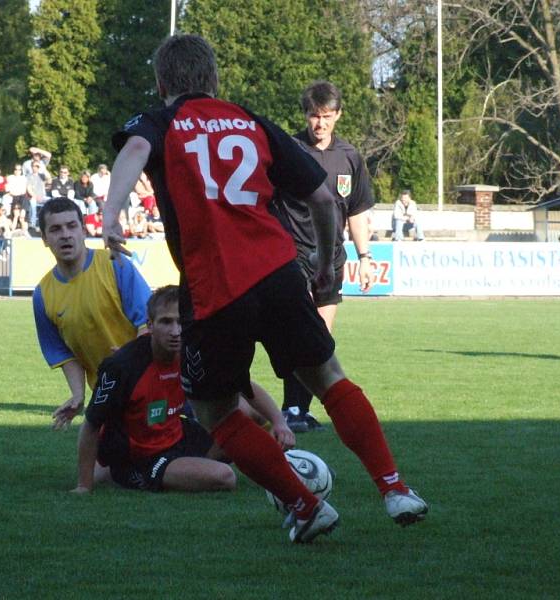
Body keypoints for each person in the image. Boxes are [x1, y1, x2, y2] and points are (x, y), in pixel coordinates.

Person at [103, 34, 427, 543]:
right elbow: (323, 201)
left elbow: (138, 149)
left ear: (162, 83)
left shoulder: (160, 121)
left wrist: (110, 211)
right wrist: (324, 264)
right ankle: (395, 487)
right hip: (278, 271)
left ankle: (305, 505)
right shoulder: (250, 120)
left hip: (215, 286)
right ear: (213, 80)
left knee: (215, 410)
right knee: (329, 377)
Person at [73, 285, 296, 494]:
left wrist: (279, 422)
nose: (175, 331)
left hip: (177, 434)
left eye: (181, 322)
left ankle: (292, 469)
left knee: (242, 425)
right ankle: (118, 473)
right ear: (149, 325)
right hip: (141, 455)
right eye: (166, 322)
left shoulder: (194, 352)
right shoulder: (122, 367)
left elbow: (245, 386)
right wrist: (84, 486)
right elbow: (92, 423)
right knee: (225, 477)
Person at [272, 81, 375, 434]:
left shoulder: (349, 156)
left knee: (321, 338)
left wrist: (364, 256)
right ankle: (292, 408)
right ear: (306, 115)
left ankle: (298, 409)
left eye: (327, 117)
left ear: (338, 115)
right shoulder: (288, 149)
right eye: (315, 116)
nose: (320, 124)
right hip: (293, 255)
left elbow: (358, 209)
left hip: (331, 259)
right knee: (300, 332)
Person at [33, 197, 152, 431]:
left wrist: (130, 359)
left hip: (152, 377)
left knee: (215, 423)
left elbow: (148, 322)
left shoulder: (114, 264)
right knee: (106, 466)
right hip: (109, 391)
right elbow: (63, 354)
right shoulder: (42, 294)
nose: (65, 234)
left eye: (71, 226)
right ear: (45, 239)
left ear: (84, 230)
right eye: (55, 229)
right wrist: (78, 395)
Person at [25, 161, 46, 228]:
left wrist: (44, 169)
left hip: (42, 196)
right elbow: (28, 189)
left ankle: (47, 222)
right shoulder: (28, 176)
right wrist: (36, 196)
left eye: (37, 166)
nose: (36, 168)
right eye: (34, 166)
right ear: (31, 167)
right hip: (33, 197)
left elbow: (49, 180)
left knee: (52, 202)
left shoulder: (42, 175)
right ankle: (32, 223)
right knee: (33, 205)